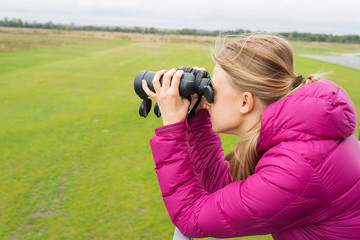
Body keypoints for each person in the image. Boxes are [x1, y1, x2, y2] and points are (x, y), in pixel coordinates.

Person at [141, 34, 360, 239]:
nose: (207, 99)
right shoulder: (300, 135)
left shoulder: (298, 168)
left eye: (212, 91)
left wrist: (172, 129)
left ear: (245, 102)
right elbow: (222, 190)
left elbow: (191, 217)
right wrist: (197, 117)